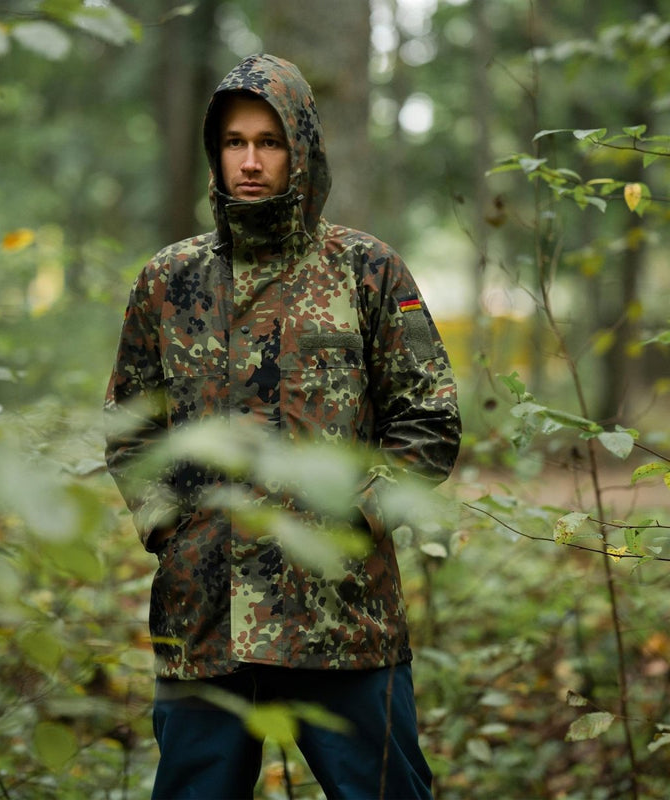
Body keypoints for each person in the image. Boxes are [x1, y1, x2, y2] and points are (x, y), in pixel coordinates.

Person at [104, 53, 461, 800]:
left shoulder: (366, 270)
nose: (252, 161)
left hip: (343, 620)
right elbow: (131, 426)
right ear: (216, 152)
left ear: (301, 148)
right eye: (235, 142)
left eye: (270, 142)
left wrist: (353, 520)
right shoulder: (168, 280)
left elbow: (427, 419)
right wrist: (175, 528)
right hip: (205, 622)